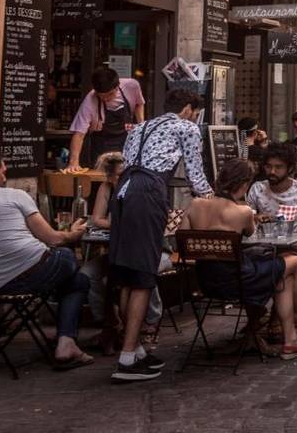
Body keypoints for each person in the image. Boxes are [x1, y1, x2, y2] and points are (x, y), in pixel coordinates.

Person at [109, 89, 214, 381]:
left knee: (127, 272)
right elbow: (195, 173)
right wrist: (214, 198)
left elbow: (128, 162)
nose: (194, 117)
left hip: (123, 190)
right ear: (189, 109)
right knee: (143, 275)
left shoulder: (139, 126)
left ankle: (137, 351)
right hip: (148, 191)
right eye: (195, 112)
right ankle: (127, 358)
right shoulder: (186, 127)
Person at [179, 159, 297, 359]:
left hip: (205, 280)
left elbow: (184, 237)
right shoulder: (242, 211)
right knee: (293, 262)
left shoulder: (195, 204)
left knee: (282, 273)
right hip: (238, 280)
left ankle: (287, 337)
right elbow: (251, 233)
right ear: (244, 184)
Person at [0, 151, 93, 370]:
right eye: (3, 172)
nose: (5, 178)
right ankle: (66, 342)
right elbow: (53, 238)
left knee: (78, 281)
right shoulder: (14, 195)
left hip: (3, 286)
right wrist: (74, 233)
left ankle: (66, 343)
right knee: (68, 259)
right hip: (38, 269)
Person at [79, 152, 165, 350]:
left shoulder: (142, 190)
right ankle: (110, 323)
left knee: (141, 272)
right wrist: (117, 224)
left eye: (123, 174)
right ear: (110, 177)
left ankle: (150, 323)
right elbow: (97, 219)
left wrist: (115, 223)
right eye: (117, 175)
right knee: (87, 274)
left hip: (153, 253)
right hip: (117, 252)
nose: (121, 178)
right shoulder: (107, 188)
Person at [66, 66, 145, 169]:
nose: (106, 98)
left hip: (126, 140)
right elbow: (79, 134)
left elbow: (139, 103)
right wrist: (73, 163)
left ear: (117, 87)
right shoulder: (90, 100)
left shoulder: (132, 86)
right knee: (101, 177)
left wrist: (141, 128)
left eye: (110, 94)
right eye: (102, 96)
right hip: (101, 144)